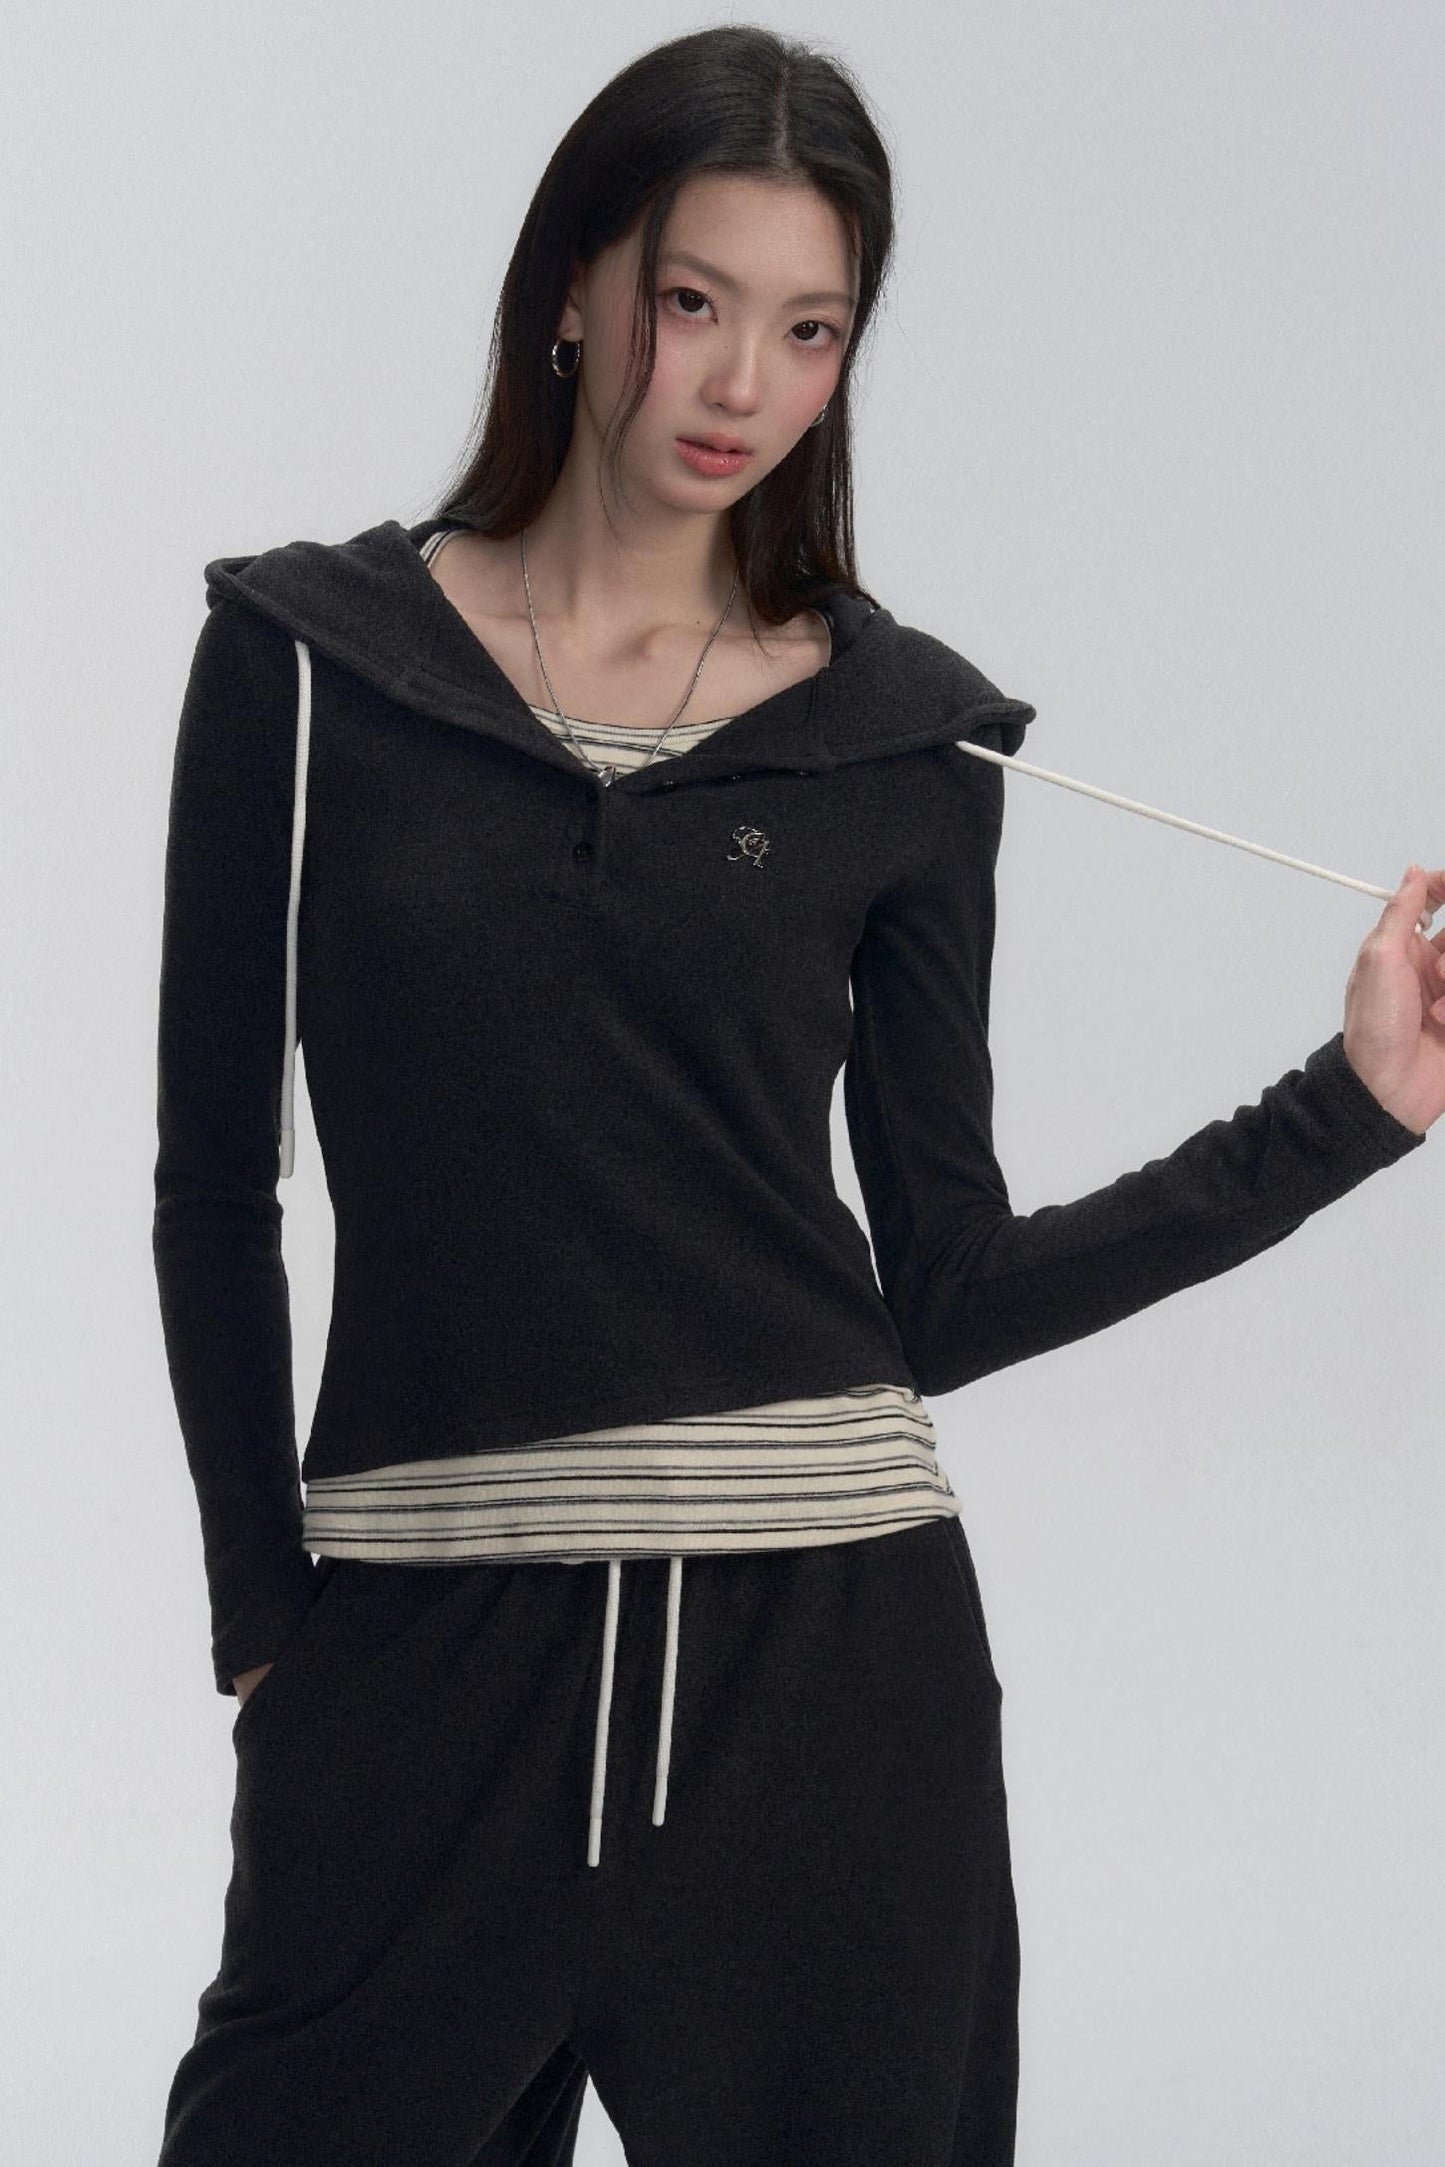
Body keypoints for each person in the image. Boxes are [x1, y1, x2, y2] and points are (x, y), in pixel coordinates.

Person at [149, 24, 1442, 2167]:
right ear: (574, 292)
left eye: (811, 328)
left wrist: (1355, 1106)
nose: (741, 383)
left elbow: (945, 1283)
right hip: (417, 1662)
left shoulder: (906, 743)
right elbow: (217, 1190)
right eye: (692, 300)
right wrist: (266, 1630)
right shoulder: (302, 664)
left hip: (832, 1682)